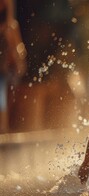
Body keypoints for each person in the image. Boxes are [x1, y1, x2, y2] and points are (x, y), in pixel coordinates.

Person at [0, 0, 26, 133]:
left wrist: (19, 62)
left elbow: (18, 47)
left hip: (4, 67)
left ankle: (4, 127)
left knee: (4, 96)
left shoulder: (10, 26)